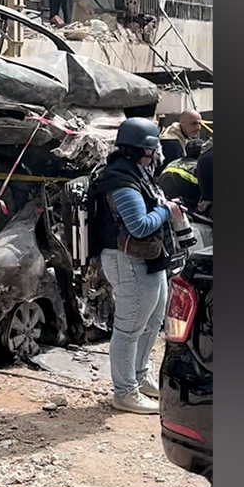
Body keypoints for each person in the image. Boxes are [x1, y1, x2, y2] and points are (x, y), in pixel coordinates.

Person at [90, 117, 182, 413]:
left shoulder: (137, 173)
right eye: (154, 150)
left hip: (149, 261)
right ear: (145, 149)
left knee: (153, 321)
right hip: (128, 262)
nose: (157, 155)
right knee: (129, 329)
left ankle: (140, 378)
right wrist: (166, 211)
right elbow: (140, 226)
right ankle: (125, 391)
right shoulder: (122, 180)